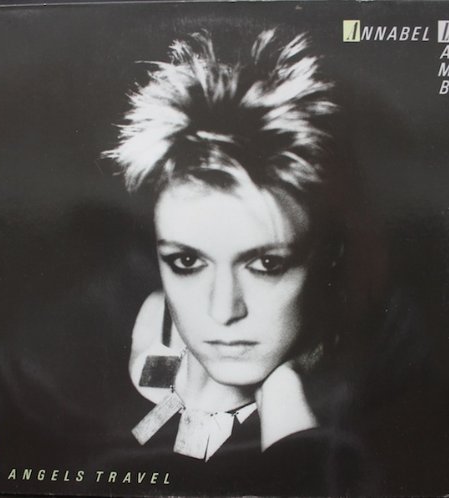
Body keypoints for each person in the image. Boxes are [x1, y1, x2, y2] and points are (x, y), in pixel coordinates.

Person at [105, 29, 372, 494]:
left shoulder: (352, 411)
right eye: (187, 261)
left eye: (266, 264)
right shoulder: (149, 319)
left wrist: (284, 394)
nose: (222, 310)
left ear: (328, 256)